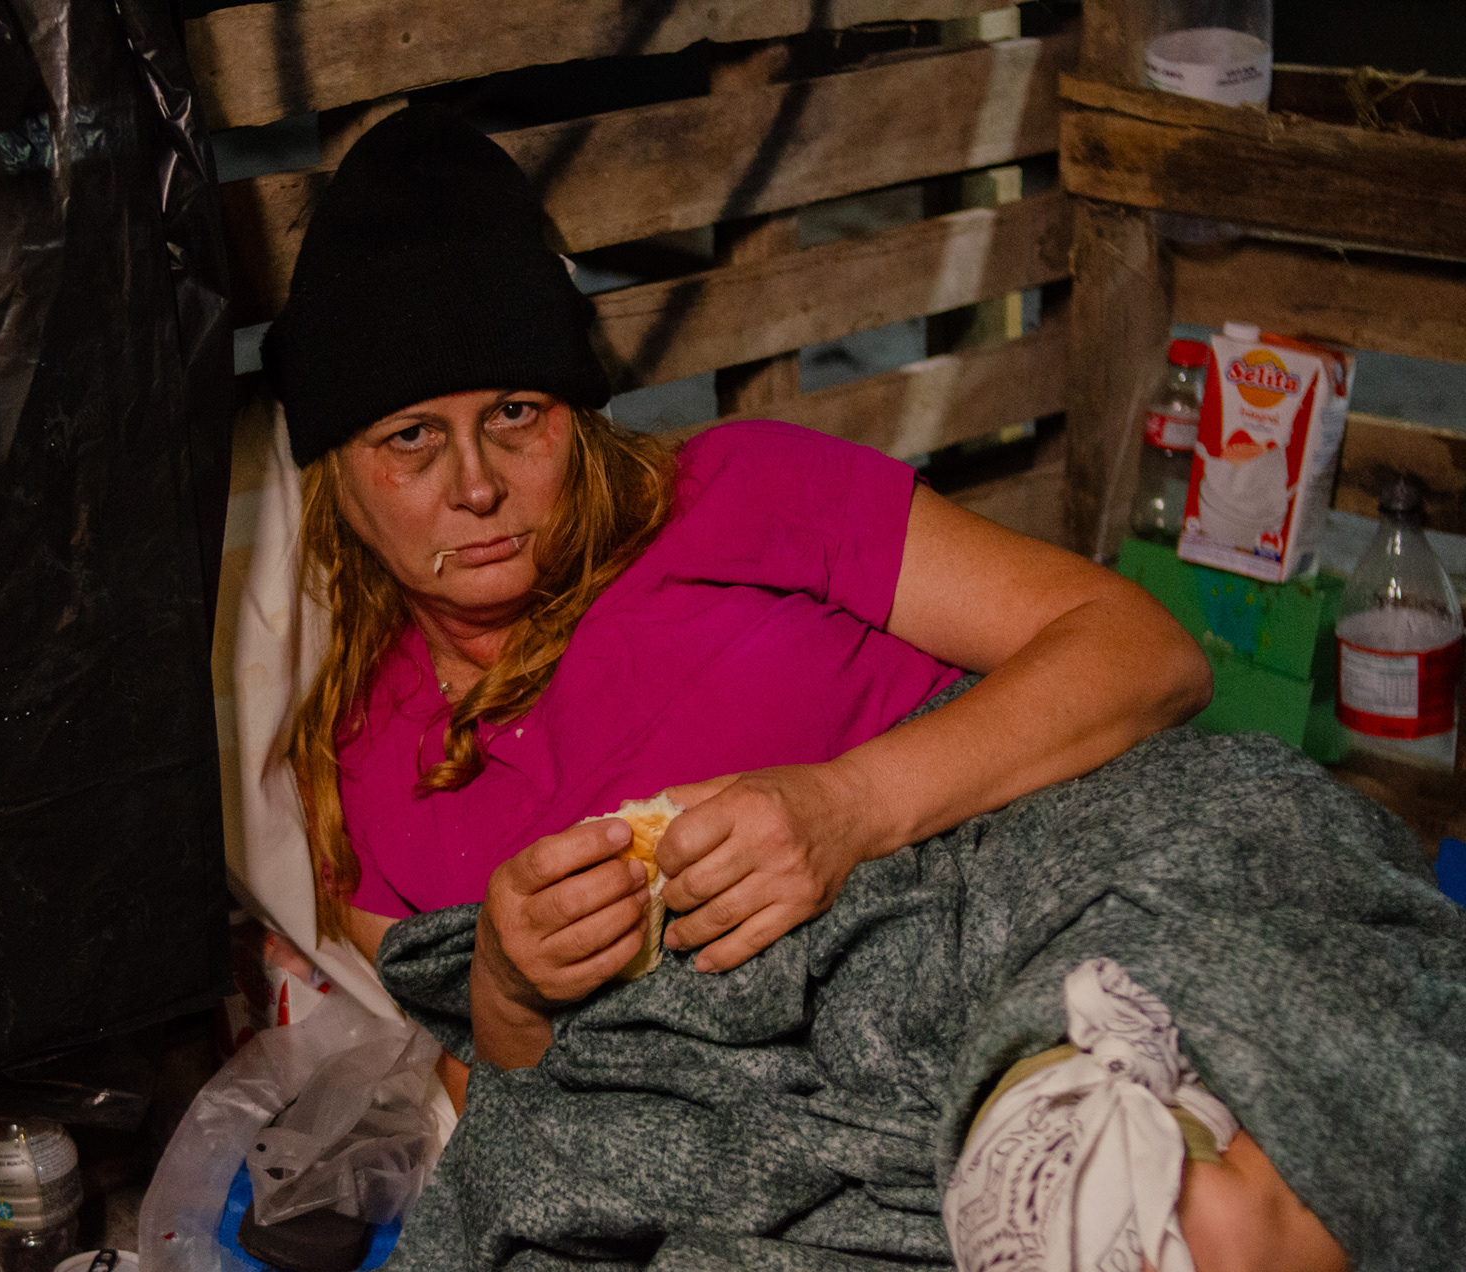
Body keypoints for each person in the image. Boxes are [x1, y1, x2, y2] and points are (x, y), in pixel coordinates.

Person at [260, 106, 1347, 1270]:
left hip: (1018, 900)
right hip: (775, 1113)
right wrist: (507, 989)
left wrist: (847, 806)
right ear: (335, 473)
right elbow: (524, 1114)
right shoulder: (366, 773)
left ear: (574, 413)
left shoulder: (736, 491)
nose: (476, 486)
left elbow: (1144, 652)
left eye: (515, 415)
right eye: (411, 439)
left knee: (1231, 1176)